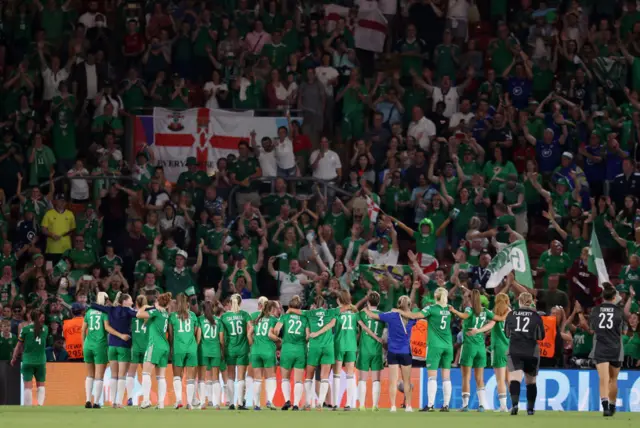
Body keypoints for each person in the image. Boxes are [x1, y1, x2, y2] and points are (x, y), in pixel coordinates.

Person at [399, 287, 453, 411]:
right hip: (448, 345)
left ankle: (430, 405)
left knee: (432, 377)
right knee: (446, 377)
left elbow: (415, 315)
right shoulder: (450, 309)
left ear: (435, 297)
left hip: (435, 346)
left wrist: (401, 312)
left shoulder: (431, 309)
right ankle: (446, 405)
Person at [449, 289, 501, 412]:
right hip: (481, 348)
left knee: (466, 377)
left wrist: (454, 310)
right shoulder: (485, 311)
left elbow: (464, 316)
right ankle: (482, 405)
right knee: (480, 377)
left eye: (467, 296)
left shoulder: (469, 310)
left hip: (469, 347)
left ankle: (465, 405)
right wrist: (506, 312)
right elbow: (498, 318)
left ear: (470, 299)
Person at [365, 295, 416, 412]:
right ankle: (408, 406)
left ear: (398, 304)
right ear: (409, 305)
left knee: (393, 380)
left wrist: (365, 308)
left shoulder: (391, 315)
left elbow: (372, 315)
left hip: (393, 352)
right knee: (407, 381)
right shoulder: (412, 318)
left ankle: (393, 406)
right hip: (406, 352)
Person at [289, 295, 336, 410]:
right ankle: (320, 402)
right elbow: (333, 323)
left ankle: (308, 403)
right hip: (328, 347)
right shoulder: (330, 312)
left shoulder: (309, 314)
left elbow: (292, 310)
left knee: (309, 376)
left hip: (314, 347)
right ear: (324, 305)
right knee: (324, 377)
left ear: (314, 305)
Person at [90, 292, 137, 408]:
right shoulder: (128, 311)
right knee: (122, 375)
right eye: (130, 300)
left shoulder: (110, 309)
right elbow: (139, 314)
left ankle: (112, 402)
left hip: (111, 345)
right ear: (125, 301)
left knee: (113, 375)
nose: (132, 302)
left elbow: (94, 305)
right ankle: (119, 402)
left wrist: (99, 301)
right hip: (124, 345)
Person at [468, 292, 512, 412]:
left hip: (498, 348)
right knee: (510, 379)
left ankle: (503, 406)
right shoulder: (512, 313)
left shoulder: (496, 313)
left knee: (500, 379)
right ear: (508, 301)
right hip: (511, 348)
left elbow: (491, 325)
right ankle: (515, 405)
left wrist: (478, 331)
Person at [505, 292, 545, 416]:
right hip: (531, 350)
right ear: (531, 301)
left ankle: (515, 405)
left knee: (515, 379)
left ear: (519, 301)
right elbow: (541, 336)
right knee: (531, 381)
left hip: (515, 350)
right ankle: (530, 409)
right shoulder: (536, 316)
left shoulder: (511, 314)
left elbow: (507, 333)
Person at [590, 284, 626, 417]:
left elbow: (593, 329)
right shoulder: (619, 311)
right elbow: (624, 330)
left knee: (603, 379)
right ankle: (612, 405)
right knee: (613, 379)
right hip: (615, 347)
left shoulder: (595, 310)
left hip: (601, 347)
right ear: (613, 297)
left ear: (602, 297)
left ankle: (605, 408)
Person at [137, 292, 173, 409]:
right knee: (161, 376)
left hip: (155, 345)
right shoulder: (166, 314)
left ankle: (146, 400)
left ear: (157, 302)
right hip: (164, 346)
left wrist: (146, 306)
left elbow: (138, 314)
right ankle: (161, 403)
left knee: (146, 373)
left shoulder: (156, 312)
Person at [275, 296, 309, 409]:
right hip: (300, 350)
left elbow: (276, 330)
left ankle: (287, 401)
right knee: (298, 380)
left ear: (289, 306)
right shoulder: (305, 319)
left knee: (285, 378)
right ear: (300, 307)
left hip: (287, 349)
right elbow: (308, 336)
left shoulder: (284, 317)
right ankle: (295, 404)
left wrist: (281, 339)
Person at [220, 293, 251, 410]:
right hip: (242, 348)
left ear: (230, 302)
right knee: (241, 377)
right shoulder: (244, 315)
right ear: (240, 302)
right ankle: (241, 403)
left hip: (230, 348)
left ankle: (231, 403)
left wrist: (222, 349)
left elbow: (221, 337)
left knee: (231, 377)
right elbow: (251, 327)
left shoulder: (224, 317)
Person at [169, 293, 200, 409]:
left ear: (176, 303)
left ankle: (178, 400)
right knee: (191, 378)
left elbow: (171, 335)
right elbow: (195, 331)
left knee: (177, 376)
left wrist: (172, 347)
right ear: (187, 302)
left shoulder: (172, 316)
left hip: (178, 348)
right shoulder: (193, 315)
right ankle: (190, 403)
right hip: (191, 348)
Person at [11, 309, 48, 406]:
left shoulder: (25, 329)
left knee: (27, 386)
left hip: (27, 360)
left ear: (30, 317)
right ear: (40, 318)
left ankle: (27, 407)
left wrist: (14, 358)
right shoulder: (45, 329)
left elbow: (18, 346)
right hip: (40, 361)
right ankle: (40, 406)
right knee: (41, 385)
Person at [356, 291, 386, 411]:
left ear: (368, 301)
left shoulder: (362, 314)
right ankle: (375, 405)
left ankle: (362, 405)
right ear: (379, 302)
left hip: (364, 349)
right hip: (377, 350)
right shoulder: (383, 315)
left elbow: (354, 309)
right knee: (376, 379)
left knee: (362, 378)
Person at [248, 300, 280, 410]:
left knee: (257, 379)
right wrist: (279, 339)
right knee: (271, 377)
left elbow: (249, 334)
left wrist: (253, 345)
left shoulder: (258, 319)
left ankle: (256, 404)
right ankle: (270, 401)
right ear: (273, 309)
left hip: (256, 351)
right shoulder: (273, 320)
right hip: (267, 350)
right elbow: (270, 335)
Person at [82, 292, 109, 408]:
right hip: (100, 345)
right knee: (99, 375)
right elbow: (107, 328)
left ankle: (88, 400)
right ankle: (97, 402)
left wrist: (83, 345)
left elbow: (83, 330)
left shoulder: (88, 312)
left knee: (90, 374)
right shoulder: (104, 313)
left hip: (88, 345)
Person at [198, 300, 224, 410]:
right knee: (216, 378)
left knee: (202, 378)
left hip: (203, 351)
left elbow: (198, 338)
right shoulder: (218, 321)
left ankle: (203, 402)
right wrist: (222, 351)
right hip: (215, 350)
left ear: (202, 309)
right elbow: (221, 340)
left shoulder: (200, 320)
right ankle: (217, 404)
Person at [126, 296, 149, 406]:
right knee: (146, 374)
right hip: (146, 347)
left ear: (136, 303)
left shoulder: (133, 316)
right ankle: (146, 398)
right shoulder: (149, 316)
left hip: (135, 347)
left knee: (131, 373)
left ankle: (129, 397)